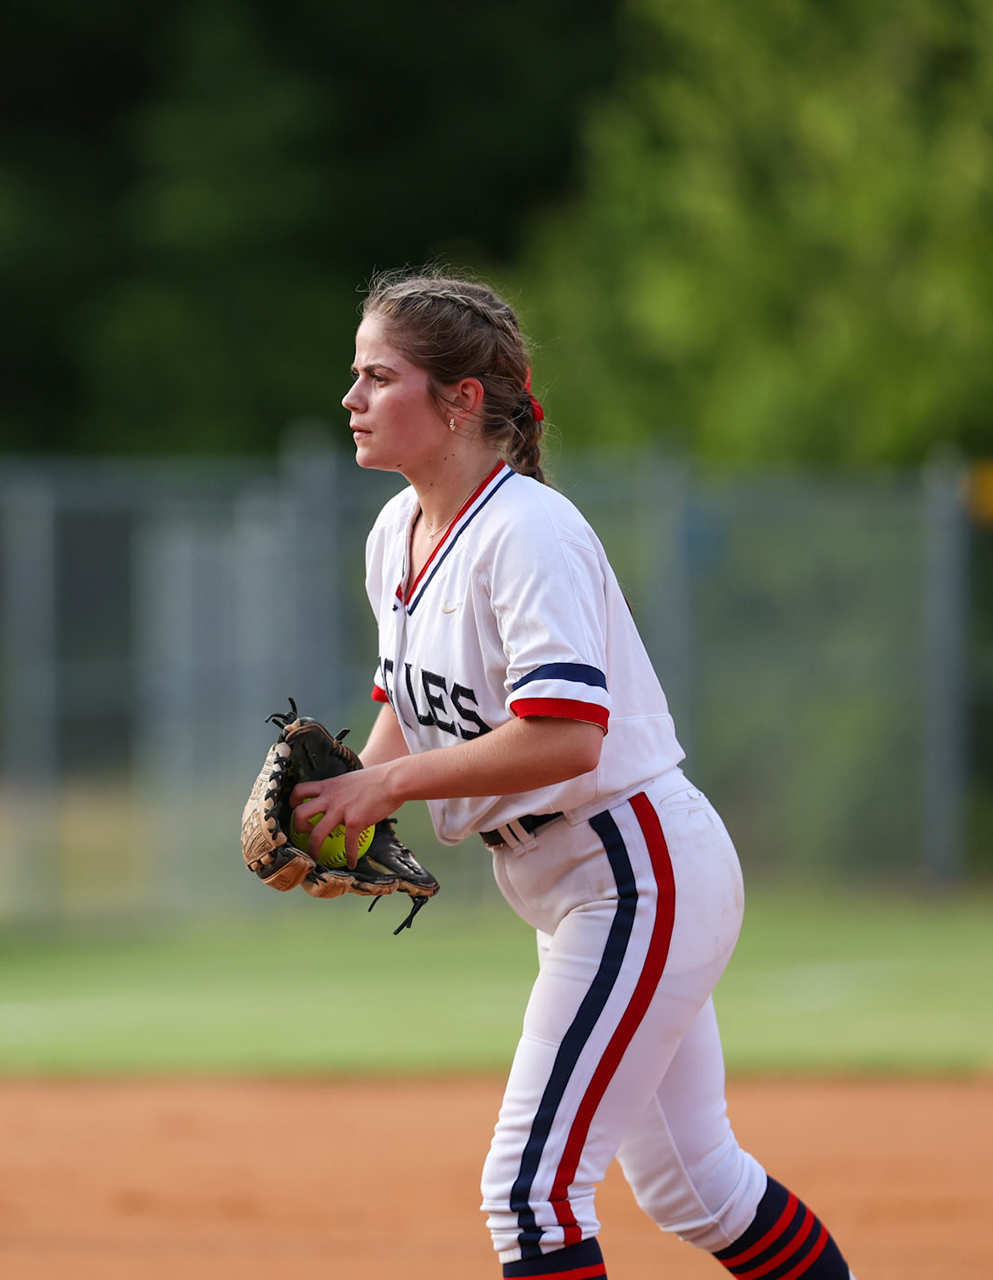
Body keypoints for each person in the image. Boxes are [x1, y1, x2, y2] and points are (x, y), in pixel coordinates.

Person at [289, 268, 857, 1280]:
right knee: (696, 1184)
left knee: (530, 1189)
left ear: (462, 400)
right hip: (581, 880)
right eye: (355, 374)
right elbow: (406, 717)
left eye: (380, 376)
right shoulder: (395, 536)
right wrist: (340, 802)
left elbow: (566, 737)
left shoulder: (528, 533)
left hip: (637, 867)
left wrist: (384, 792)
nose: (353, 398)